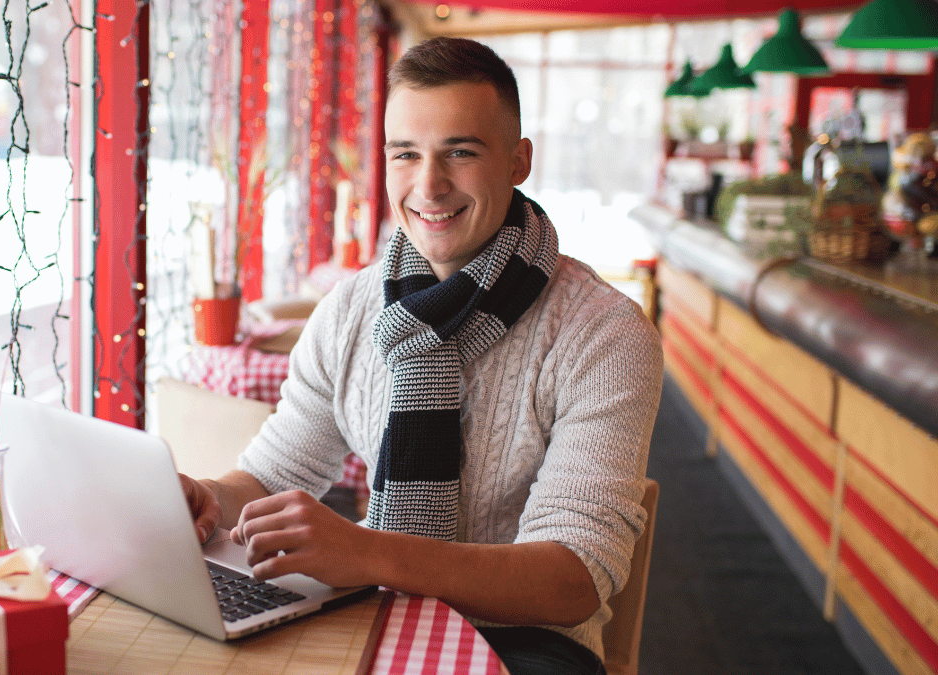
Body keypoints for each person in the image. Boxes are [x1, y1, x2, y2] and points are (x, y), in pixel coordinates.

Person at [179, 36, 663, 675]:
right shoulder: (350, 311)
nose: (428, 186)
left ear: (519, 161)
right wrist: (209, 498)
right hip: (375, 617)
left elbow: (572, 581)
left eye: (460, 153)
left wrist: (368, 553)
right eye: (405, 154)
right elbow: (272, 476)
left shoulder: (603, 333)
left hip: (529, 646)